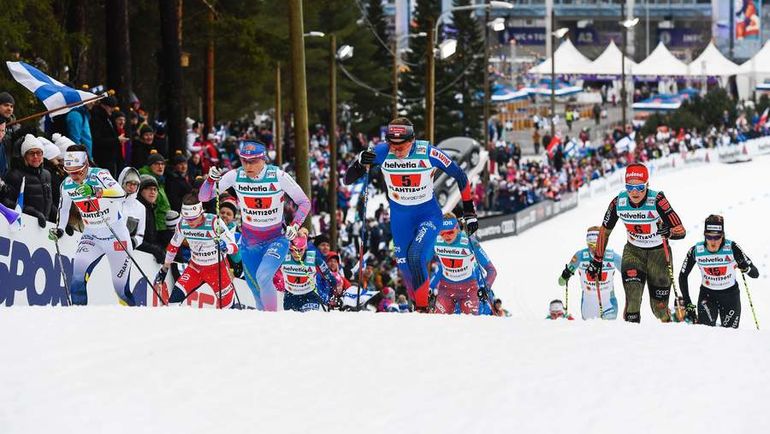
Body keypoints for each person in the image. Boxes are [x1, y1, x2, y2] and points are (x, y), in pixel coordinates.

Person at [343, 118, 478, 312]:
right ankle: (423, 301)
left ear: (412, 140)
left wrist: (469, 211)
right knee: (406, 269)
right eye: (392, 145)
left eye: (402, 146)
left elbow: (460, 175)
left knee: (416, 256)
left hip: (428, 215)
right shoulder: (381, 151)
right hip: (400, 218)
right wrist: (359, 162)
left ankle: (422, 310)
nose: (396, 151)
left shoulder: (428, 152)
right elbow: (348, 179)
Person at [199, 141, 311, 311]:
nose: (248, 166)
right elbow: (204, 197)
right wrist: (210, 180)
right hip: (249, 243)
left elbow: (304, 202)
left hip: (276, 239)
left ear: (263, 159)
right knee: (256, 291)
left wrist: (295, 226)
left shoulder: (278, 176)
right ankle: (264, 327)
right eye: (244, 161)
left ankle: (273, 320)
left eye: (253, 161)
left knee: (263, 276)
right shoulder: (235, 176)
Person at [588, 163, 686, 323]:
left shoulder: (658, 200)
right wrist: (597, 260)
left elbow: (680, 230)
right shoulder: (618, 203)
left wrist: (668, 232)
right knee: (633, 300)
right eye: (629, 187)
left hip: (659, 254)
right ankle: (630, 340)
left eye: (640, 187)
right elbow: (604, 231)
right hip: (634, 252)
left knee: (659, 309)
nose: (634, 192)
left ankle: (669, 334)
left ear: (647, 184)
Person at [49, 145, 133, 305]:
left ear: (86, 165)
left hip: (116, 235)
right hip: (91, 236)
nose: (74, 176)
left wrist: (97, 191)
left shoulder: (100, 174)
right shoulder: (66, 184)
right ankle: (79, 322)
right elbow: (63, 208)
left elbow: (121, 193)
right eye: (70, 171)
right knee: (76, 281)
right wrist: (59, 229)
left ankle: (132, 323)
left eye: (78, 171)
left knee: (121, 290)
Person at [678, 215, 760, 328]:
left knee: (730, 335)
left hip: (730, 296)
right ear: (704, 235)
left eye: (717, 237)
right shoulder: (696, 250)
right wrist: (688, 303)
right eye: (709, 237)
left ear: (723, 236)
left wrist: (745, 267)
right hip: (707, 296)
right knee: (704, 332)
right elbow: (683, 276)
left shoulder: (732, 248)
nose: (713, 242)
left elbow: (755, 274)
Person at [159, 194, 238, 309]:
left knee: (227, 309)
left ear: (201, 213)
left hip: (217, 270)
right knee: (173, 303)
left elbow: (234, 246)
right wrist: (164, 268)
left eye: (193, 218)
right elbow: (173, 246)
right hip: (195, 268)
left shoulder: (214, 222)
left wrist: (226, 247)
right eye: (187, 219)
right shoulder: (182, 224)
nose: (190, 223)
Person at [430, 213, 496, 315]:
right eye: (442, 233)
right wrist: (429, 287)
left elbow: (492, 270)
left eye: (450, 232)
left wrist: (485, 288)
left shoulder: (469, 242)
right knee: (440, 322)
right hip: (446, 289)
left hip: (468, 290)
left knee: (470, 325)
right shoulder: (436, 241)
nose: (446, 236)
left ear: (457, 228)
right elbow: (440, 267)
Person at [558, 226, 620, 320]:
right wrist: (565, 275)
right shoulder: (580, 256)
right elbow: (561, 282)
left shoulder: (611, 256)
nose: (593, 248)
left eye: (595, 244)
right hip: (587, 305)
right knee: (590, 333)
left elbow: (628, 272)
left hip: (608, 304)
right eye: (590, 244)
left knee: (608, 331)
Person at [274, 235, 336, 312]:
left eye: (300, 250)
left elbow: (331, 279)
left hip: (309, 295)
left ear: (305, 248)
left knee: (308, 319)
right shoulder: (284, 258)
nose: (296, 254)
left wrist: (333, 294)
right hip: (290, 296)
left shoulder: (315, 259)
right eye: (292, 250)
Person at [1, 135, 52, 228]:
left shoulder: (46, 174)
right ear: (24, 156)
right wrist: (33, 212)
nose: (36, 156)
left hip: (42, 228)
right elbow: (6, 202)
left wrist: (61, 221)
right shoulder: (15, 175)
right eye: (31, 153)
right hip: (23, 226)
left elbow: (49, 201)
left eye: (39, 153)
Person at [135, 174, 166, 263]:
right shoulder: (137, 209)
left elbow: (150, 237)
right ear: (140, 191)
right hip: (136, 257)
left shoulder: (150, 209)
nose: (152, 192)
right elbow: (132, 239)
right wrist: (154, 249)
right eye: (148, 188)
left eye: (155, 189)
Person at [139, 151, 171, 232]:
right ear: (150, 166)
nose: (160, 167)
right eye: (156, 164)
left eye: (162, 164)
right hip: (156, 228)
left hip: (162, 226)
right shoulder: (146, 181)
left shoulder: (160, 181)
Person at [90, 95, 122, 174]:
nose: (113, 109)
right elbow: (97, 140)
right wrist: (116, 140)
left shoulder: (109, 117)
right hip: (102, 158)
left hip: (111, 158)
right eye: (111, 107)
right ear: (103, 106)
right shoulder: (97, 118)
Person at [118, 167, 145, 249]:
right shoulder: (111, 201)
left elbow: (140, 234)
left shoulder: (140, 208)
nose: (132, 187)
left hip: (126, 250)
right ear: (122, 182)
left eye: (135, 184)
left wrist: (133, 243)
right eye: (129, 183)